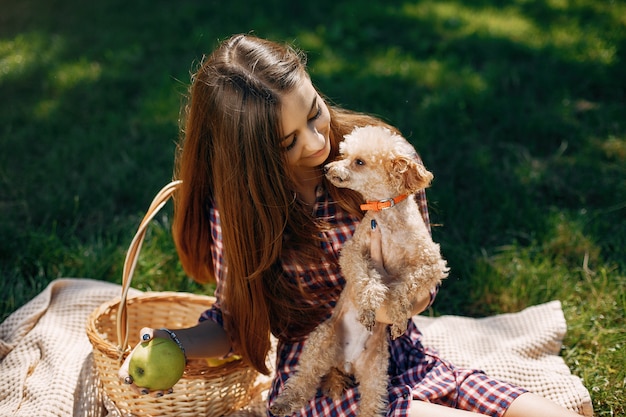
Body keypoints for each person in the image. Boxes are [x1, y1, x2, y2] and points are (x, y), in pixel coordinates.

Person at [119, 34, 582, 417]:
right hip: (325, 379)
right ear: (250, 158)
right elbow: (235, 323)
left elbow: (421, 271)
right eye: (288, 142)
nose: (318, 142)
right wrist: (173, 343)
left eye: (314, 111)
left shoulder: (382, 158)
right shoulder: (239, 211)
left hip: (401, 351)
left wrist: (397, 305)